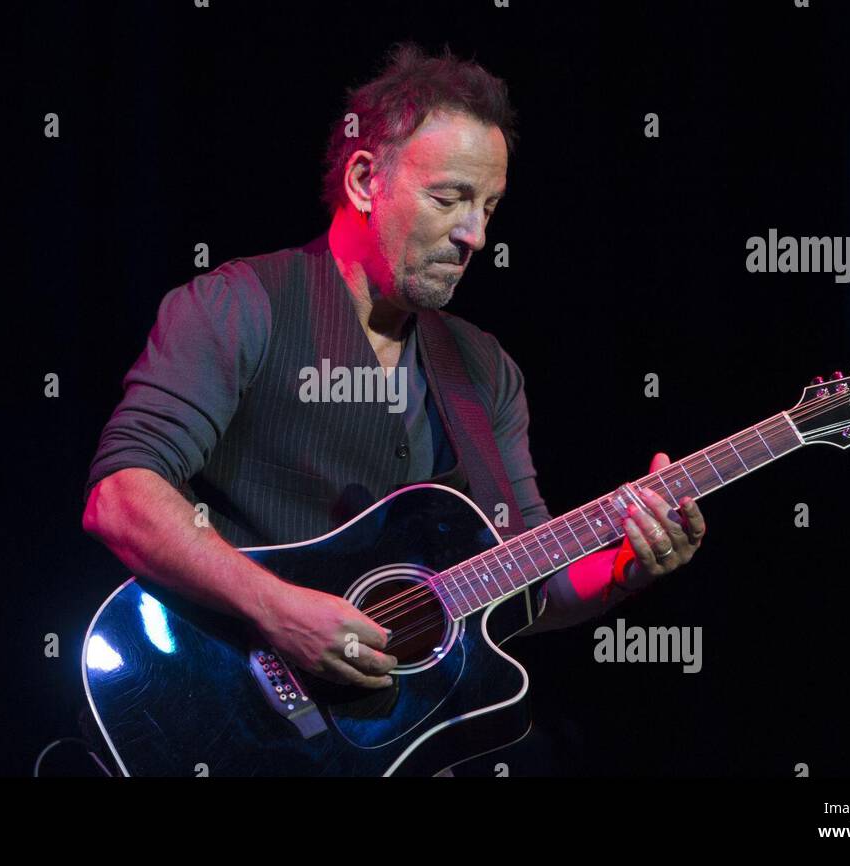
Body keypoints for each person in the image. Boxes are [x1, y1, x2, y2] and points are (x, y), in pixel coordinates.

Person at [82, 42, 705, 724]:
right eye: (450, 198)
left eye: (490, 207)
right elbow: (120, 497)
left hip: (394, 745)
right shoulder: (238, 307)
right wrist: (278, 609)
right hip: (223, 717)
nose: (475, 235)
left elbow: (536, 584)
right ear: (362, 181)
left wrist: (624, 569)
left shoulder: (485, 371)